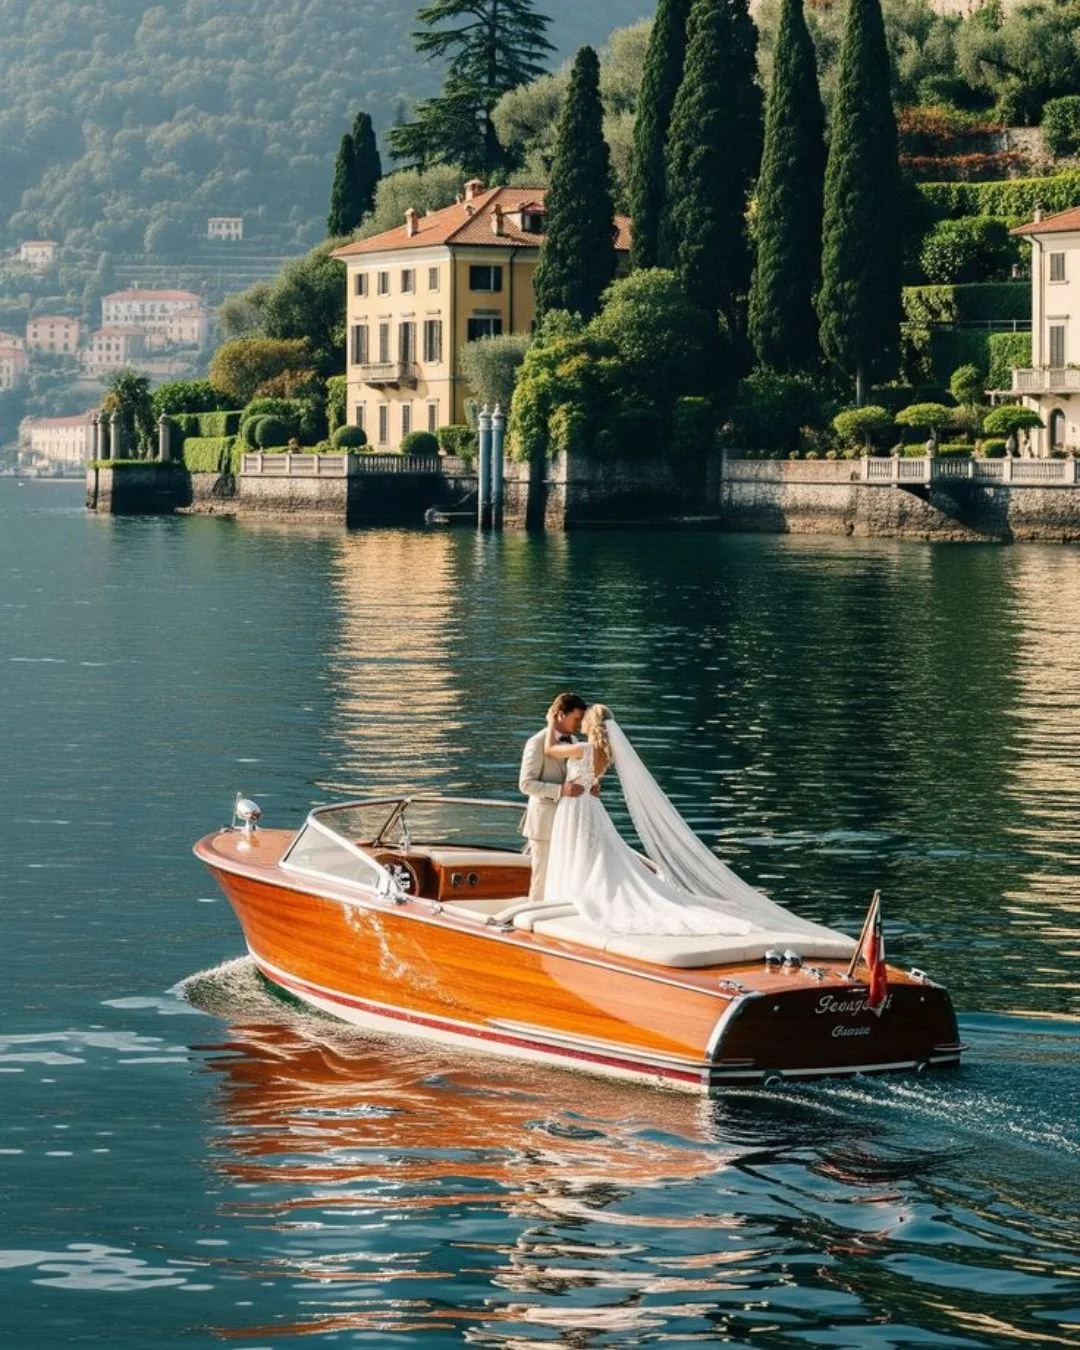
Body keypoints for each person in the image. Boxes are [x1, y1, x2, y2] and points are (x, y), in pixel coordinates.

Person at [518, 691, 589, 906]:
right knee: (541, 881)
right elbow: (526, 784)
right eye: (576, 719)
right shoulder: (536, 742)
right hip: (544, 824)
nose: (579, 725)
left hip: (568, 822)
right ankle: (532, 919)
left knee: (563, 878)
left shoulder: (574, 742)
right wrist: (561, 790)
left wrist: (589, 786)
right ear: (560, 714)